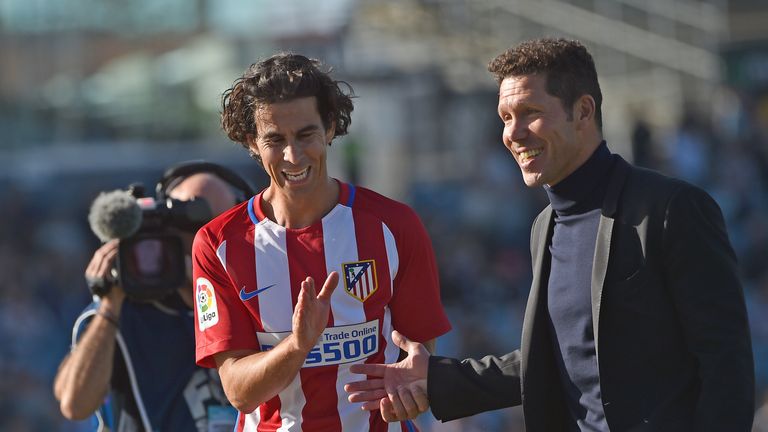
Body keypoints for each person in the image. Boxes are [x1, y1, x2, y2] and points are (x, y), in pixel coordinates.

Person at [346, 38, 755, 431]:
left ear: (583, 111)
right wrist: (438, 380)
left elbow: (726, 365)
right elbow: (559, 358)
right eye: (506, 118)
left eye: (530, 112)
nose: (514, 133)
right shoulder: (545, 226)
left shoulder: (672, 208)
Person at [191, 53, 451, 431]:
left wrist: (413, 395)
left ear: (330, 128)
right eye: (275, 140)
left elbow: (420, 357)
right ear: (251, 142)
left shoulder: (394, 226)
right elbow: (239, 391)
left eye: (306, 134)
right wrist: (298, 346)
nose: (293, 155)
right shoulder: (218, 243)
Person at [54, 171, 240, 432]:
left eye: (224, 227)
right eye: (194, 226)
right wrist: (109, 306)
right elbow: (75, 404)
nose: (209, 241)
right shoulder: (127, 309)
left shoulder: (247, 299)